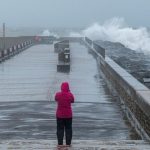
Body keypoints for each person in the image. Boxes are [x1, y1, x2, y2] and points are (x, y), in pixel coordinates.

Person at [55, 82, 74, 147]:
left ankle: (60, 143)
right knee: (68, 129)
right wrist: (69, 92)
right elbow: (72, 101)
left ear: (61, 87)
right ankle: (68, 144)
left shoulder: (58, 94)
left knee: (60, 129)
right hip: (68, 115)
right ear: (68, 88)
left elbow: (56, 99)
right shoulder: (70, 94)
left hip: (59, 115)